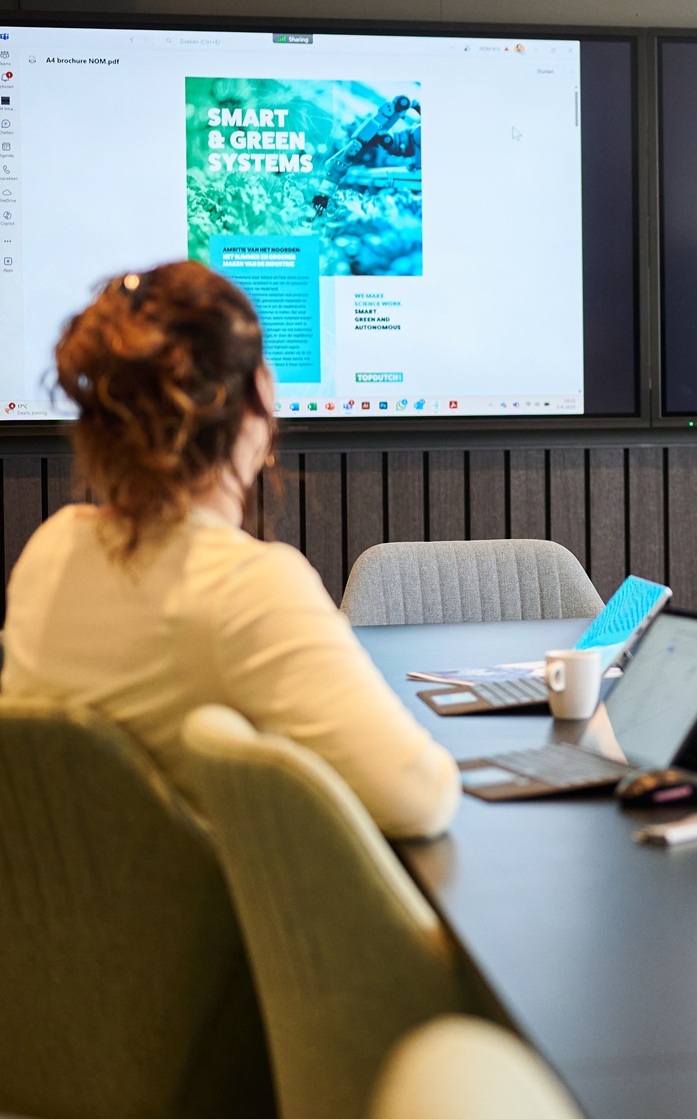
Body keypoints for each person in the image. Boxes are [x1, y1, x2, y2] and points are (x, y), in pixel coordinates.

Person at [0, 262, 458, 839]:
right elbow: (418, 798)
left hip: (57, 920)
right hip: (211, 925)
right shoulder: (245, 585)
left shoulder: (52, 548)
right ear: (256, 399)